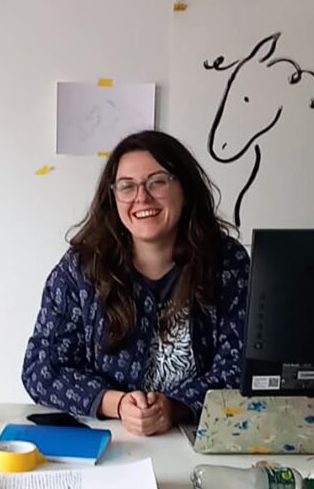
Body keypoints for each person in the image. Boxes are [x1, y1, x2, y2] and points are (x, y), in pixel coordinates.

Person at [22, 130, 250, 436]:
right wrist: (115, 403)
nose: (141, 197)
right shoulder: (82, 268)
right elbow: (41, 369)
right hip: (110, 439)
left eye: (157, 182)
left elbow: (241, 369)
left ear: (185, 188)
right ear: (113, 196)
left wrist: (176, 406)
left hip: (196, 437)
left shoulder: (227, 263)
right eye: (127, 187)